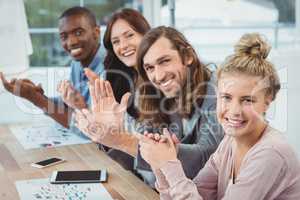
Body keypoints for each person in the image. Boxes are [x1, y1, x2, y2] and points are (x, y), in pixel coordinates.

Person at [139, 33, 300, 199]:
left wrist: (170, 165)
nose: (234, 110)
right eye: (226, 97)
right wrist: (160, 165)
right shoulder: (229, 142)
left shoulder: (270, 153)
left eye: (247, 100)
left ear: (268, 101)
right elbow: (194, 194)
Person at [75, 26, 224, 187]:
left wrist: (123, 140)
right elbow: (140, 154)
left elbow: (206, 160)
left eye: (165, 61)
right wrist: (112, 134)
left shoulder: (218, 94)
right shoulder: (158, 95)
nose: (158, 76)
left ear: (187, 56)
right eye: (150, 68)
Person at [0, 7, 104, 130]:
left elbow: (94, 129)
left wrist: (36, 99)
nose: (71, 42)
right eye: (64, 36)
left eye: (78, 32)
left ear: (96, 33)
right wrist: (34, 95)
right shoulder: (77, 62)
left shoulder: (109, 69)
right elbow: (70, 105)